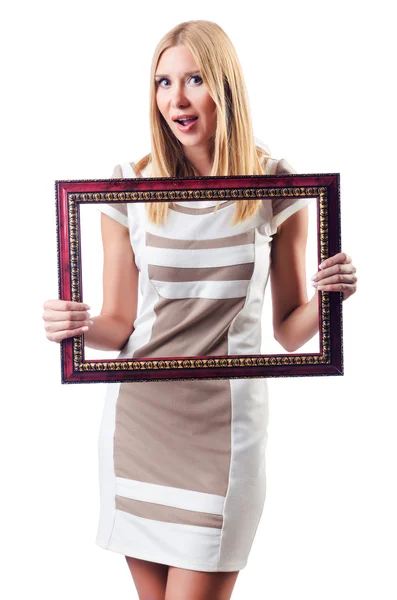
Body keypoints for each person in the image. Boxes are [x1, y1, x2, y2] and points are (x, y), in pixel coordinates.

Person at [42, 20, 358, 600]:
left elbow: (290, 330)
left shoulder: (274, 184)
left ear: (225, 86)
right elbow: (118, 323)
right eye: (163, 82)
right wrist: (74, 325)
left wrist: (328, 299)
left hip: (225, 430)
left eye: (193, 79)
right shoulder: (130, 186)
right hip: (141, 425)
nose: (176, 99)